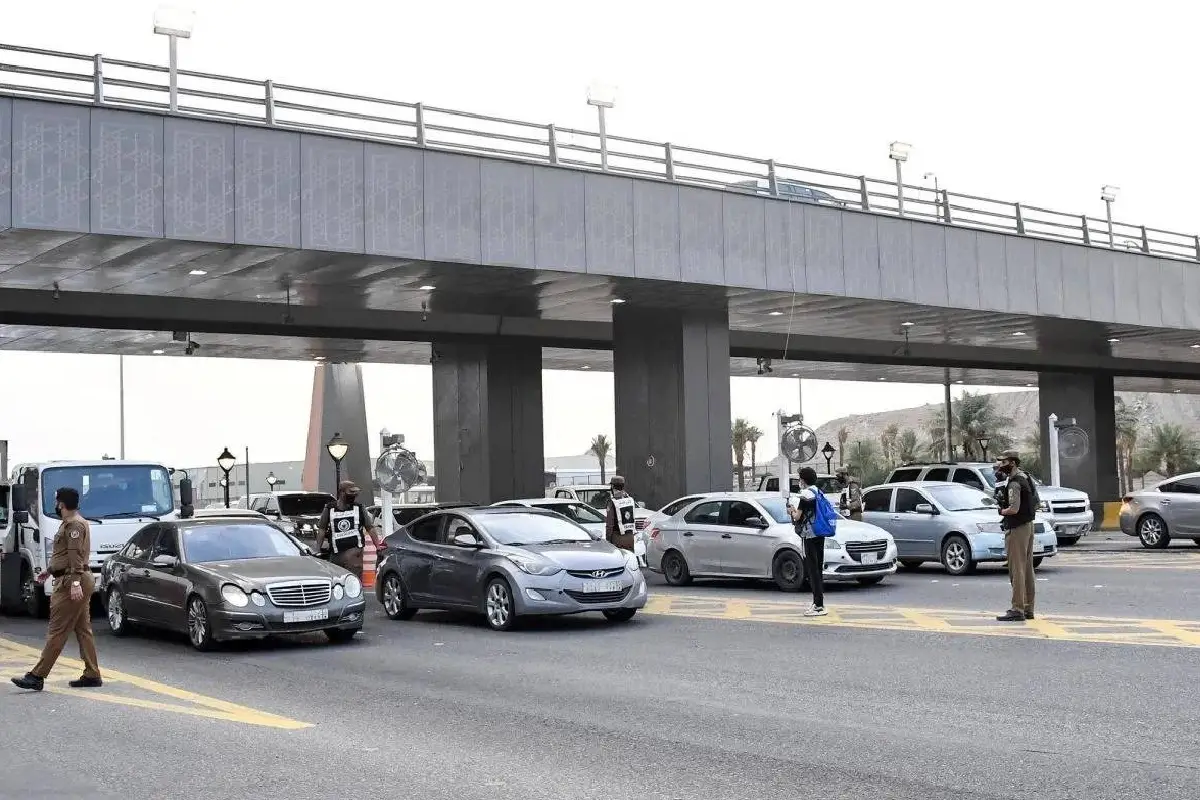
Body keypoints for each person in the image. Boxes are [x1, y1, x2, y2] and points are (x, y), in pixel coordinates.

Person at [11, 487, 102, 691]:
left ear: (61, 503)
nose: (56, 504)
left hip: (72, 580)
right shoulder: (72, 522)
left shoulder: (74, 524)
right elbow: (65, 554)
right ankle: (92, 673)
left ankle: (37, 676)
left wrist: (75, 583)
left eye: (56, 501)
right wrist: (50, 570)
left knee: (57, 630)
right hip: (73, 576)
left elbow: (75, 555)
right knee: (83, 629)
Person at [995, 451, 1037, 622]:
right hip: (1028, 525)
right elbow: (1035, 502)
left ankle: (1017, 608)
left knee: (1016, 569)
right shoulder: (1026, 477)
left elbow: (1014, 509)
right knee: (1027, 568)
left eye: (1003, 462)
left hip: (1017, 528)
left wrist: (1001, 511)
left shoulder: (1014, 483)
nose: (1000, 466)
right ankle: (1028, 608)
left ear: (1012, 463)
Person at [315, 480, 384, 579]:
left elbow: (370, 528)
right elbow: (322, 529)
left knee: (352, 581)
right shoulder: (330, 508)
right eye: (350, 493)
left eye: (355, 493)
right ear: (341, 492)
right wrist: (318, 549)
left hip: (354, 552)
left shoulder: (359, 508)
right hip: (335, 554)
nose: (353, 496)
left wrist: (377, 545)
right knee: (336, 582)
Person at [787, 467, 828, 617]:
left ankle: (818, 605)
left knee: (812, 570)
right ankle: (819, 602)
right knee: (818, 568)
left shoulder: (805, 495)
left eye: (800, 479)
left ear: (803, 480)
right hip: (820, 532)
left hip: (809, 535)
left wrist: (791, 510)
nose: (799, 481)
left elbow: (797, 516)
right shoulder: (818, 492)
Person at [604, 475, 636, 553]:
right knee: (630, 558)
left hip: (617, 538)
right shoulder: (630, 499)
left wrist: (608, 539)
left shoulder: (612, 501)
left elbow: (610, 524)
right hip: (630, 537)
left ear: (612, 486)